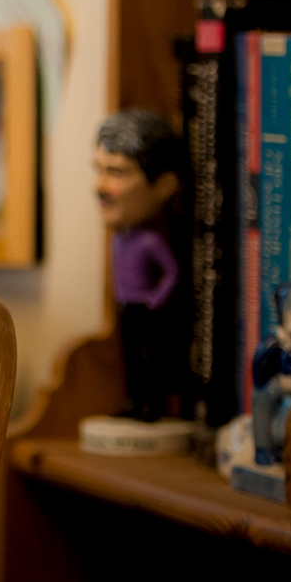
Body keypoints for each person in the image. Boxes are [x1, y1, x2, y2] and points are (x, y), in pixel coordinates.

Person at [92, 108, 188, 423]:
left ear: (164, 185)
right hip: (125, 306)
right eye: (98, 169)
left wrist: (155, 299)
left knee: (151, 358)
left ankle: (151, 404)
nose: (100, 186)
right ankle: (133, 402)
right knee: (130, 358)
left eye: (116, 172)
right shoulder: (119, 239)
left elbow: (173, 273)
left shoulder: (150, 242)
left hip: (147, 309)